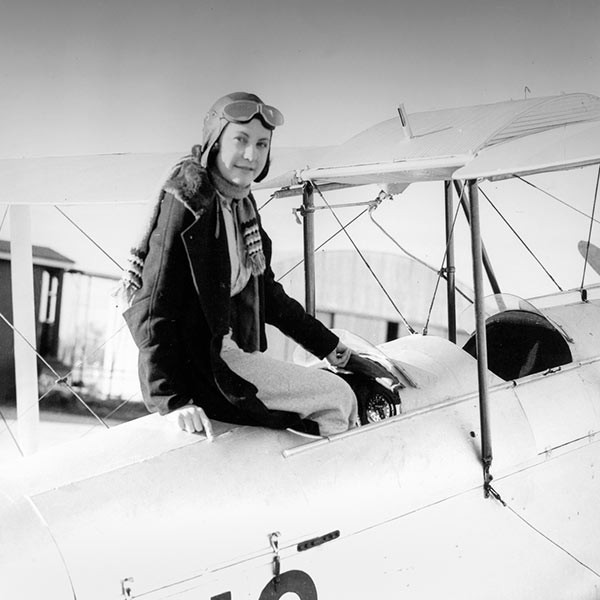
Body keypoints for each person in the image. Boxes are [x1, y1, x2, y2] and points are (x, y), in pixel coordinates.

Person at [121, 91, 358, 439]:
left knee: (332, 389)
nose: (251, 155)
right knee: (338, 398)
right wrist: (171, 402)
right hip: (205, 369)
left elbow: (268, 295)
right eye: (241, 140)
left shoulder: (240, 205)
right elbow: (152, 306)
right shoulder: (190, 203)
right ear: (215, 143)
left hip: (226, 355)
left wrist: (329, 346)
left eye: (262, 144)